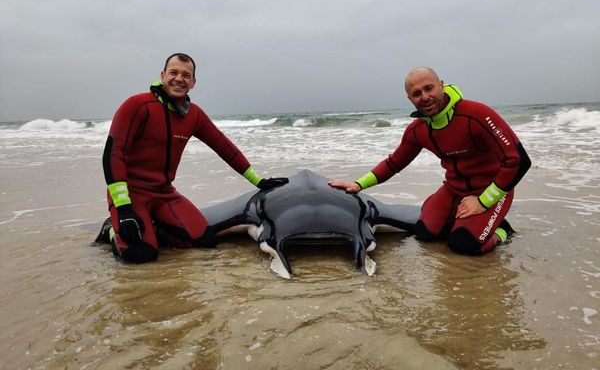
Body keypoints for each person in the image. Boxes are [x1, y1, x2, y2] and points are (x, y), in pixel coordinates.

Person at [97, 53, 288, 263]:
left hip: (164, 193)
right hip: (130, 192)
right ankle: (112, 230)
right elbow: (113, 155)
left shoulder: (193, 115)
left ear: (193, 82)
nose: (179, 78)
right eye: (173, 72)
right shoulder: (138, 105)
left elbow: (224, 147)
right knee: (141, 255)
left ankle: (152, 226)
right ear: (162, 75)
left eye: (186, 75)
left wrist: (257, 180)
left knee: (204, 241)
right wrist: (123, 208)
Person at [329, 67, 531, 255]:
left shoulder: (476, 114)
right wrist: (358, 184)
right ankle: (461, 219)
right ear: (410, 99)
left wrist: (483, 201)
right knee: (424, 233)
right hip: (454, 190)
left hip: (493, 191)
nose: (425, 97)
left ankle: (502, 229)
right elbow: (394, 163)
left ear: (441, 85)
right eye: (417, 94)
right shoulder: (418, 130)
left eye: (429, 88)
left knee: (463, 245)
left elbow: (519, 161)